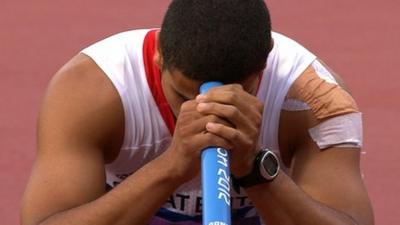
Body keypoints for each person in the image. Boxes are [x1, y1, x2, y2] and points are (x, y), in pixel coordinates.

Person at [21, 0, 374, 225]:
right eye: (181, 94)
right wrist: (172, 166)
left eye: (243, 92)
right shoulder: (92, 88)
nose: (205, 113)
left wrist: (254, 170)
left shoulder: (316, 100)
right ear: (159, 52)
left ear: (266, 59)